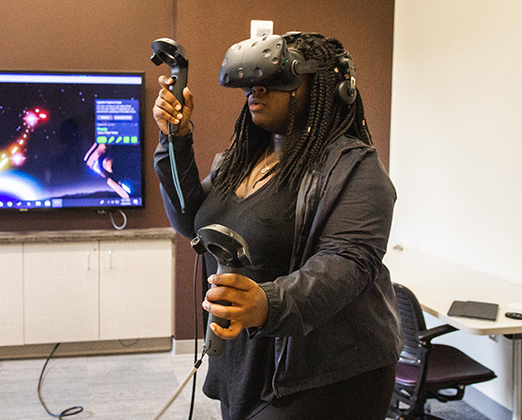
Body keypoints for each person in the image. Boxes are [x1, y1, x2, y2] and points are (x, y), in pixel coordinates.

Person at [152, 32, 402, 420]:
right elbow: (190, 220)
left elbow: (347, 262)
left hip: (326, 371)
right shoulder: (241, 159)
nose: (257, 90)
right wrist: (176, 140)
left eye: (274, 81)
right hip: (249, 354)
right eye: (253, 82)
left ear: (324, 89)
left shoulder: (355, 169)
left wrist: (268, 303)